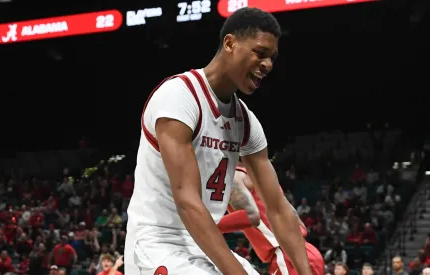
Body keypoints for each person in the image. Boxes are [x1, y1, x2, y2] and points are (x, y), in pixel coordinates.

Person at [125, 6, 311, 275]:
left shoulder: (245, 121)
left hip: (202, 246)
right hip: (157, 243)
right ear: (230, 43)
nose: (268, 65)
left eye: (272, 57)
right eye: (260, 53)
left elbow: (279, 209)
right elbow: (187, 201)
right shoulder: (179, 97)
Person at [218, 165, 325, 275]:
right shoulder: (261, 173)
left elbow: (250, 216)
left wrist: (204, 227)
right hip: (305, 251)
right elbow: (294, 215)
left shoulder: (232, 176)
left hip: (287, 256)